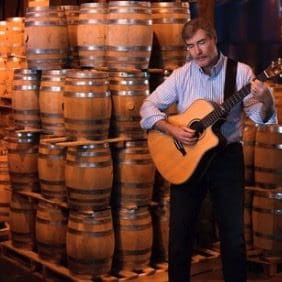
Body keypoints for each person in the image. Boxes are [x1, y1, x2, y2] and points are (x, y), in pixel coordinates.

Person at [140, 18, 277, 282]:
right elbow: (148, 107)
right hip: (186, 160)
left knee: (233, 237)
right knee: (179, 236)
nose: (197, 52)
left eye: (201, 43)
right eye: (190, 46)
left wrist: (267, 101)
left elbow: (262, 119)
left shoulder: (242, 74)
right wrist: (171, 129)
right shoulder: (181, 75)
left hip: (226, 160)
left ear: (214, 39)